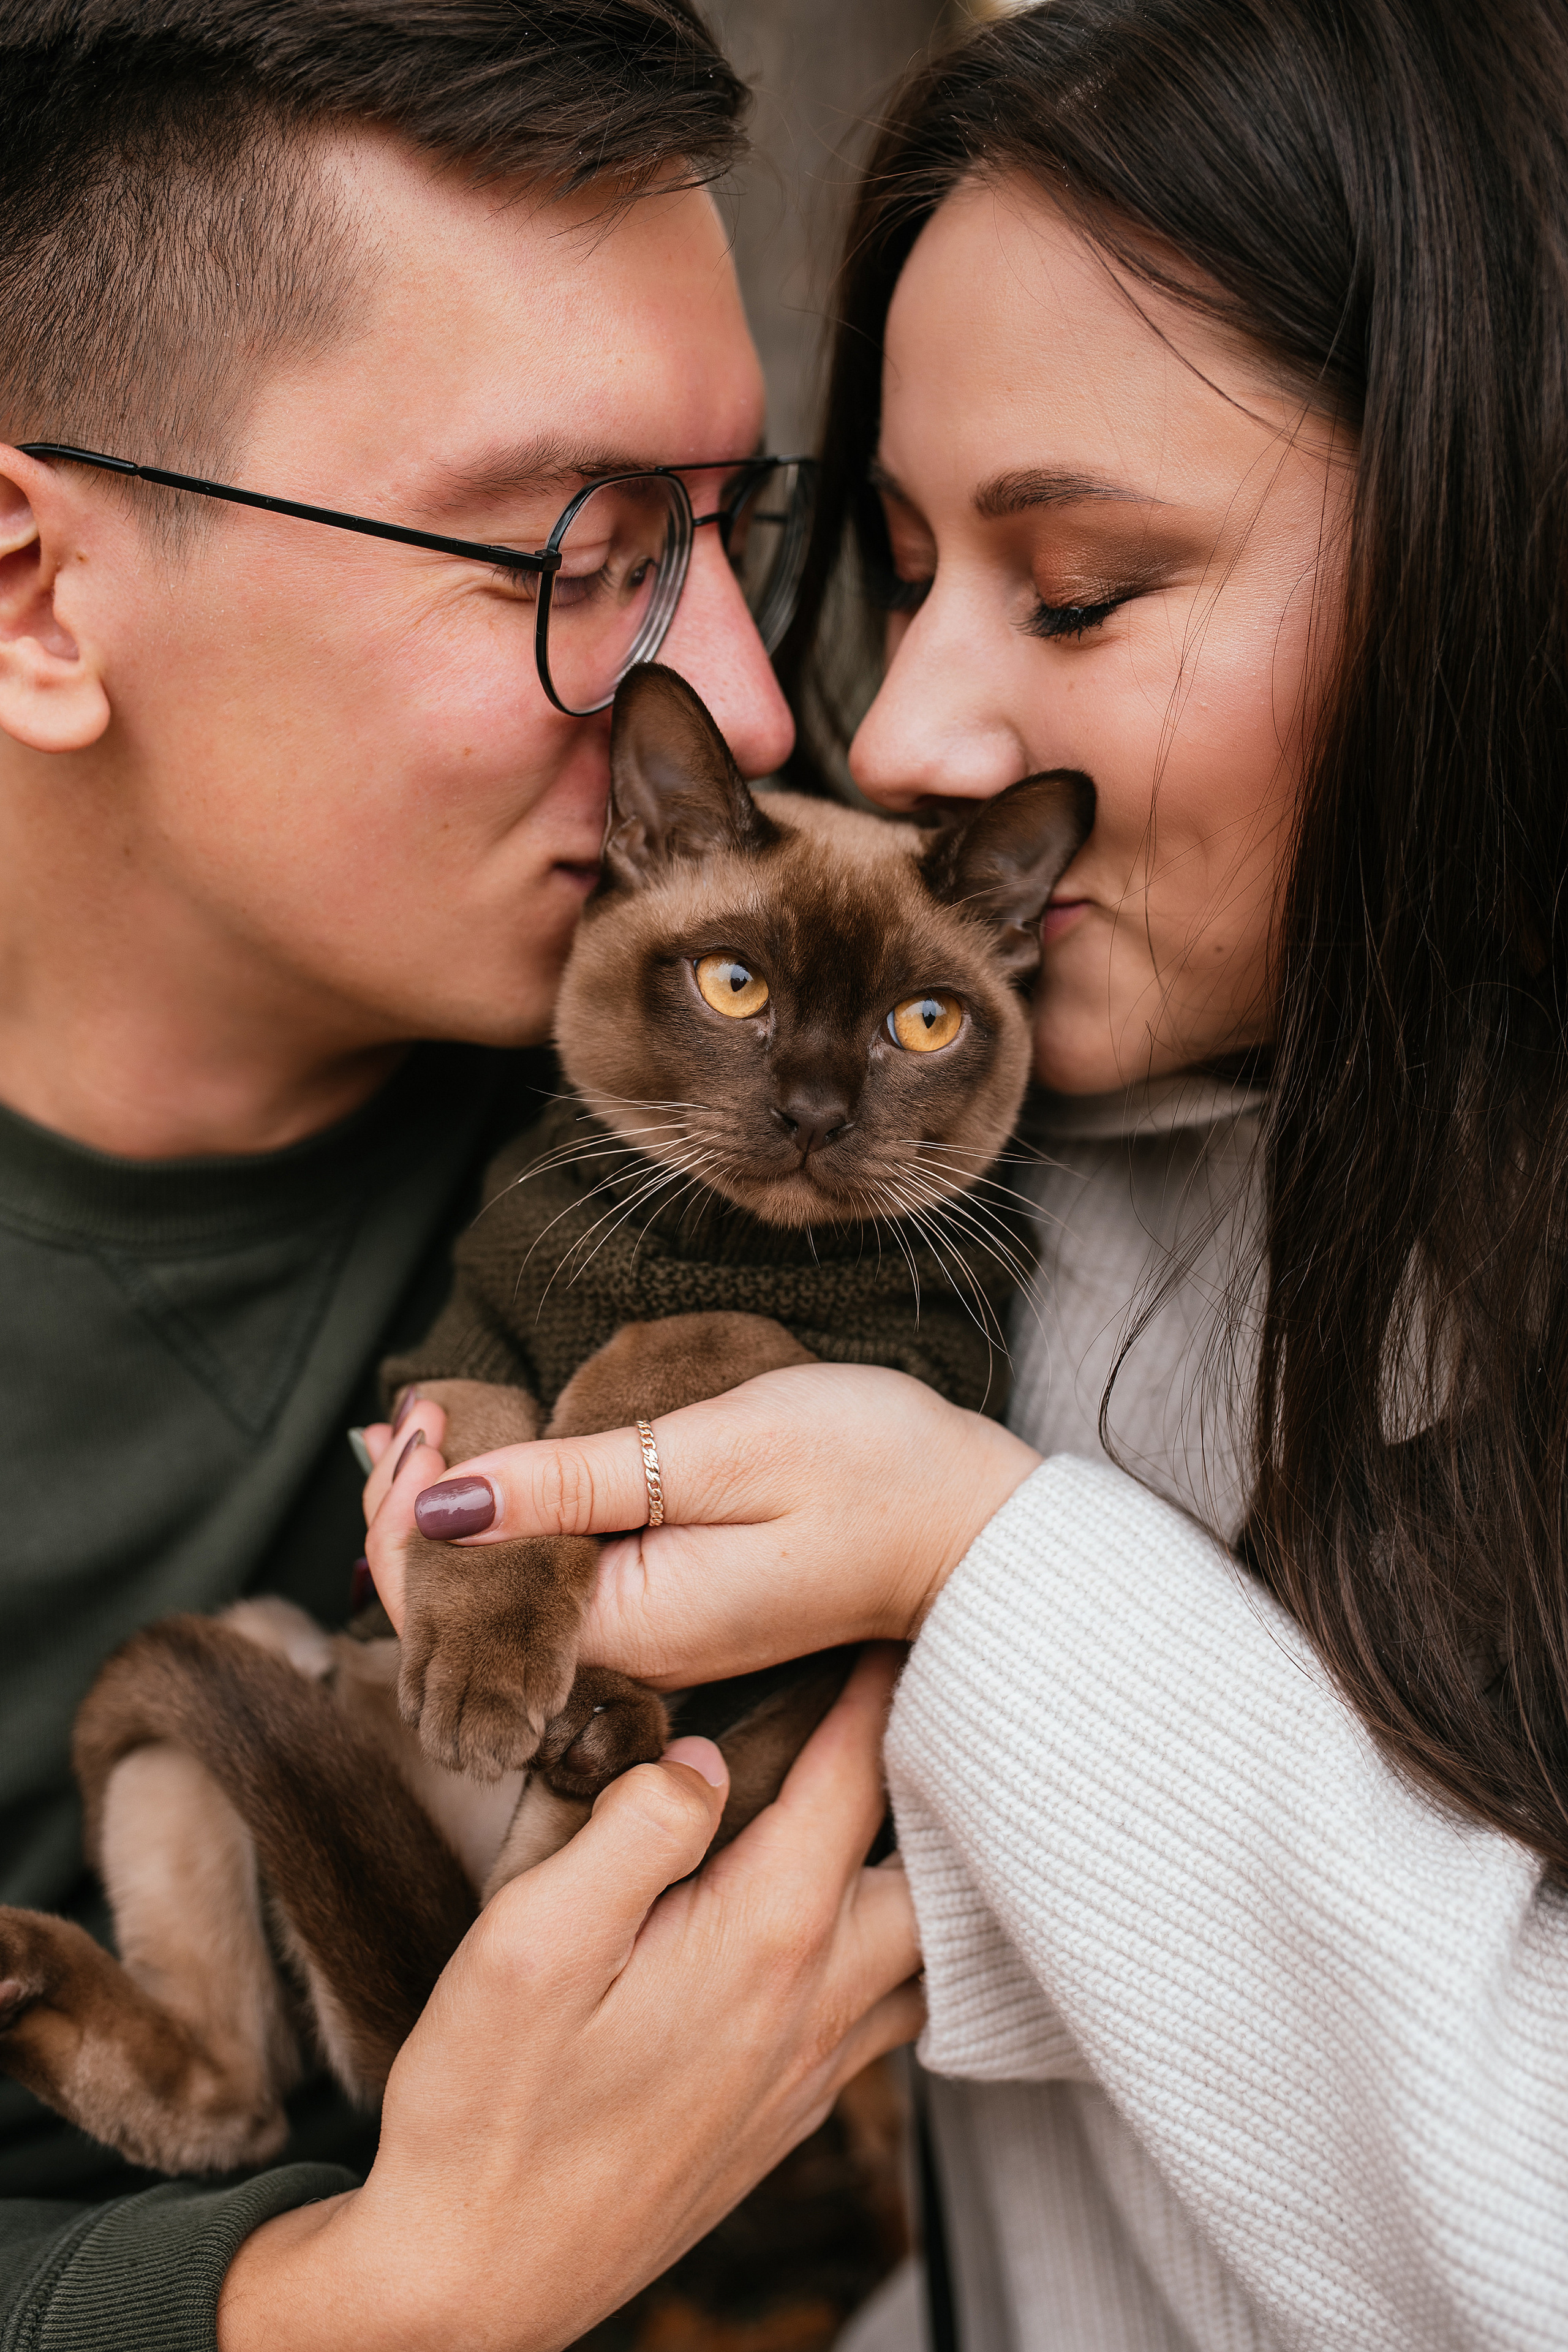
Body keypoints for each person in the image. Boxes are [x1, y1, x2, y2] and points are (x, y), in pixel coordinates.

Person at [366, 1, 1568, 2344]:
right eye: (904, 572)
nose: (903, 732)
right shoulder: (1009, 1151)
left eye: (1082, 587)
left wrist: (983, 1564)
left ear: (1496, 550)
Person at [0, 3, 919, 2346]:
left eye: (733, 536)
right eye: (582, 555)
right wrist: (393, 2297)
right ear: (35, 591)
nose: (755, 699)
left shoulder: (777, 1051)